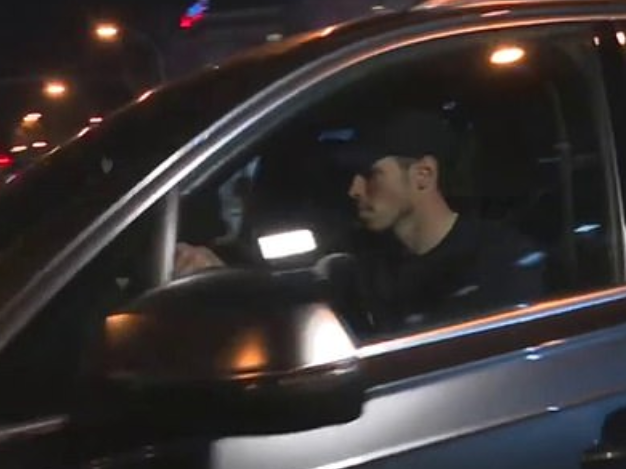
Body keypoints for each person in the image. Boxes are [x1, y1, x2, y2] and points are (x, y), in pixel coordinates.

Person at [335, 108, 545, 334]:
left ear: (423, 175)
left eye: (371, 175)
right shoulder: (372, 271)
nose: (354, 190)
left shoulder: (500, 258)